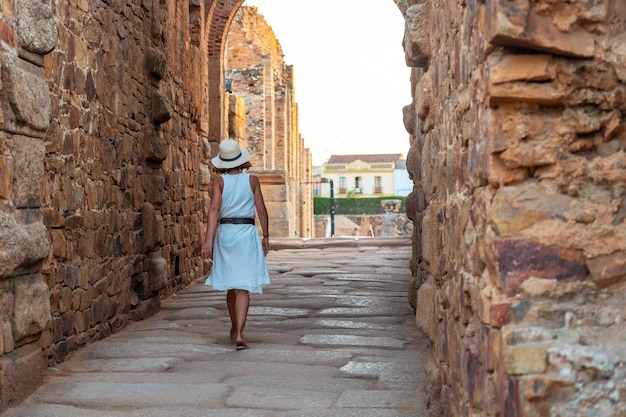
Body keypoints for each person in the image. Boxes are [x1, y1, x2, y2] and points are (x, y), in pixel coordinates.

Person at [201, 138, 270, 351]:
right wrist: (266, 236)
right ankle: (239, 332)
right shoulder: (252, 180)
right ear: (241, 160)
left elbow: (214, 210)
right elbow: (261, 209)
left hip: (227, 233)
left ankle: (234, 328)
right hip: (247, 233)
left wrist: (208, 239)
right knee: (243, 287)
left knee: (231, 284)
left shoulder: (219, 182)